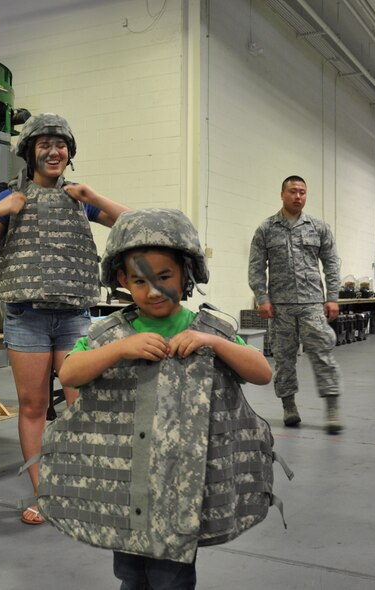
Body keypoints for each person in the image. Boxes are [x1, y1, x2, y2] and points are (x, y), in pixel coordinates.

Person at [50, 208, 274, 588]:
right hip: (127, 490)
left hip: (182, 494)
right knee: (131, 579)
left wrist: (213, 342)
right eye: (140, 281)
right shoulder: (109, 332)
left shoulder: (208, 328)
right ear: (122, 279)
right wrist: (120, 349)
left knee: (172, 580)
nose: (153, 291)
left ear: (186, 274)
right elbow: (69, 373)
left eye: (165, 277)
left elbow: (262, 373)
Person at [0, 113, 128, 525]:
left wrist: (97, 196)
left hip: (74, 316)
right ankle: (46, 493)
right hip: (27, 317)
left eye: (61, 144)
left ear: (69, 152)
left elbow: (137, 224)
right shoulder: (6, 195)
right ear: (29, 150)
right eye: (45, 143)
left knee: (80, 408)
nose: (54, 151)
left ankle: (80, 486)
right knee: (35, 407)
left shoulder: (78, 196)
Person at [248, 175, 343, 433]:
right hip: (280, 308)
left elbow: (332, 263)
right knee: (283, 359)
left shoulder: (318, 227)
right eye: (292, 191)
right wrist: (262, 298)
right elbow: (256, 268)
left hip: (312, 304)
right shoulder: (266, 229)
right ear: (282, 194)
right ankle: (289, 406)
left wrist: (332, 297)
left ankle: (332, 407)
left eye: (302, 192)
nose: (298, 196)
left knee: (322, 354)